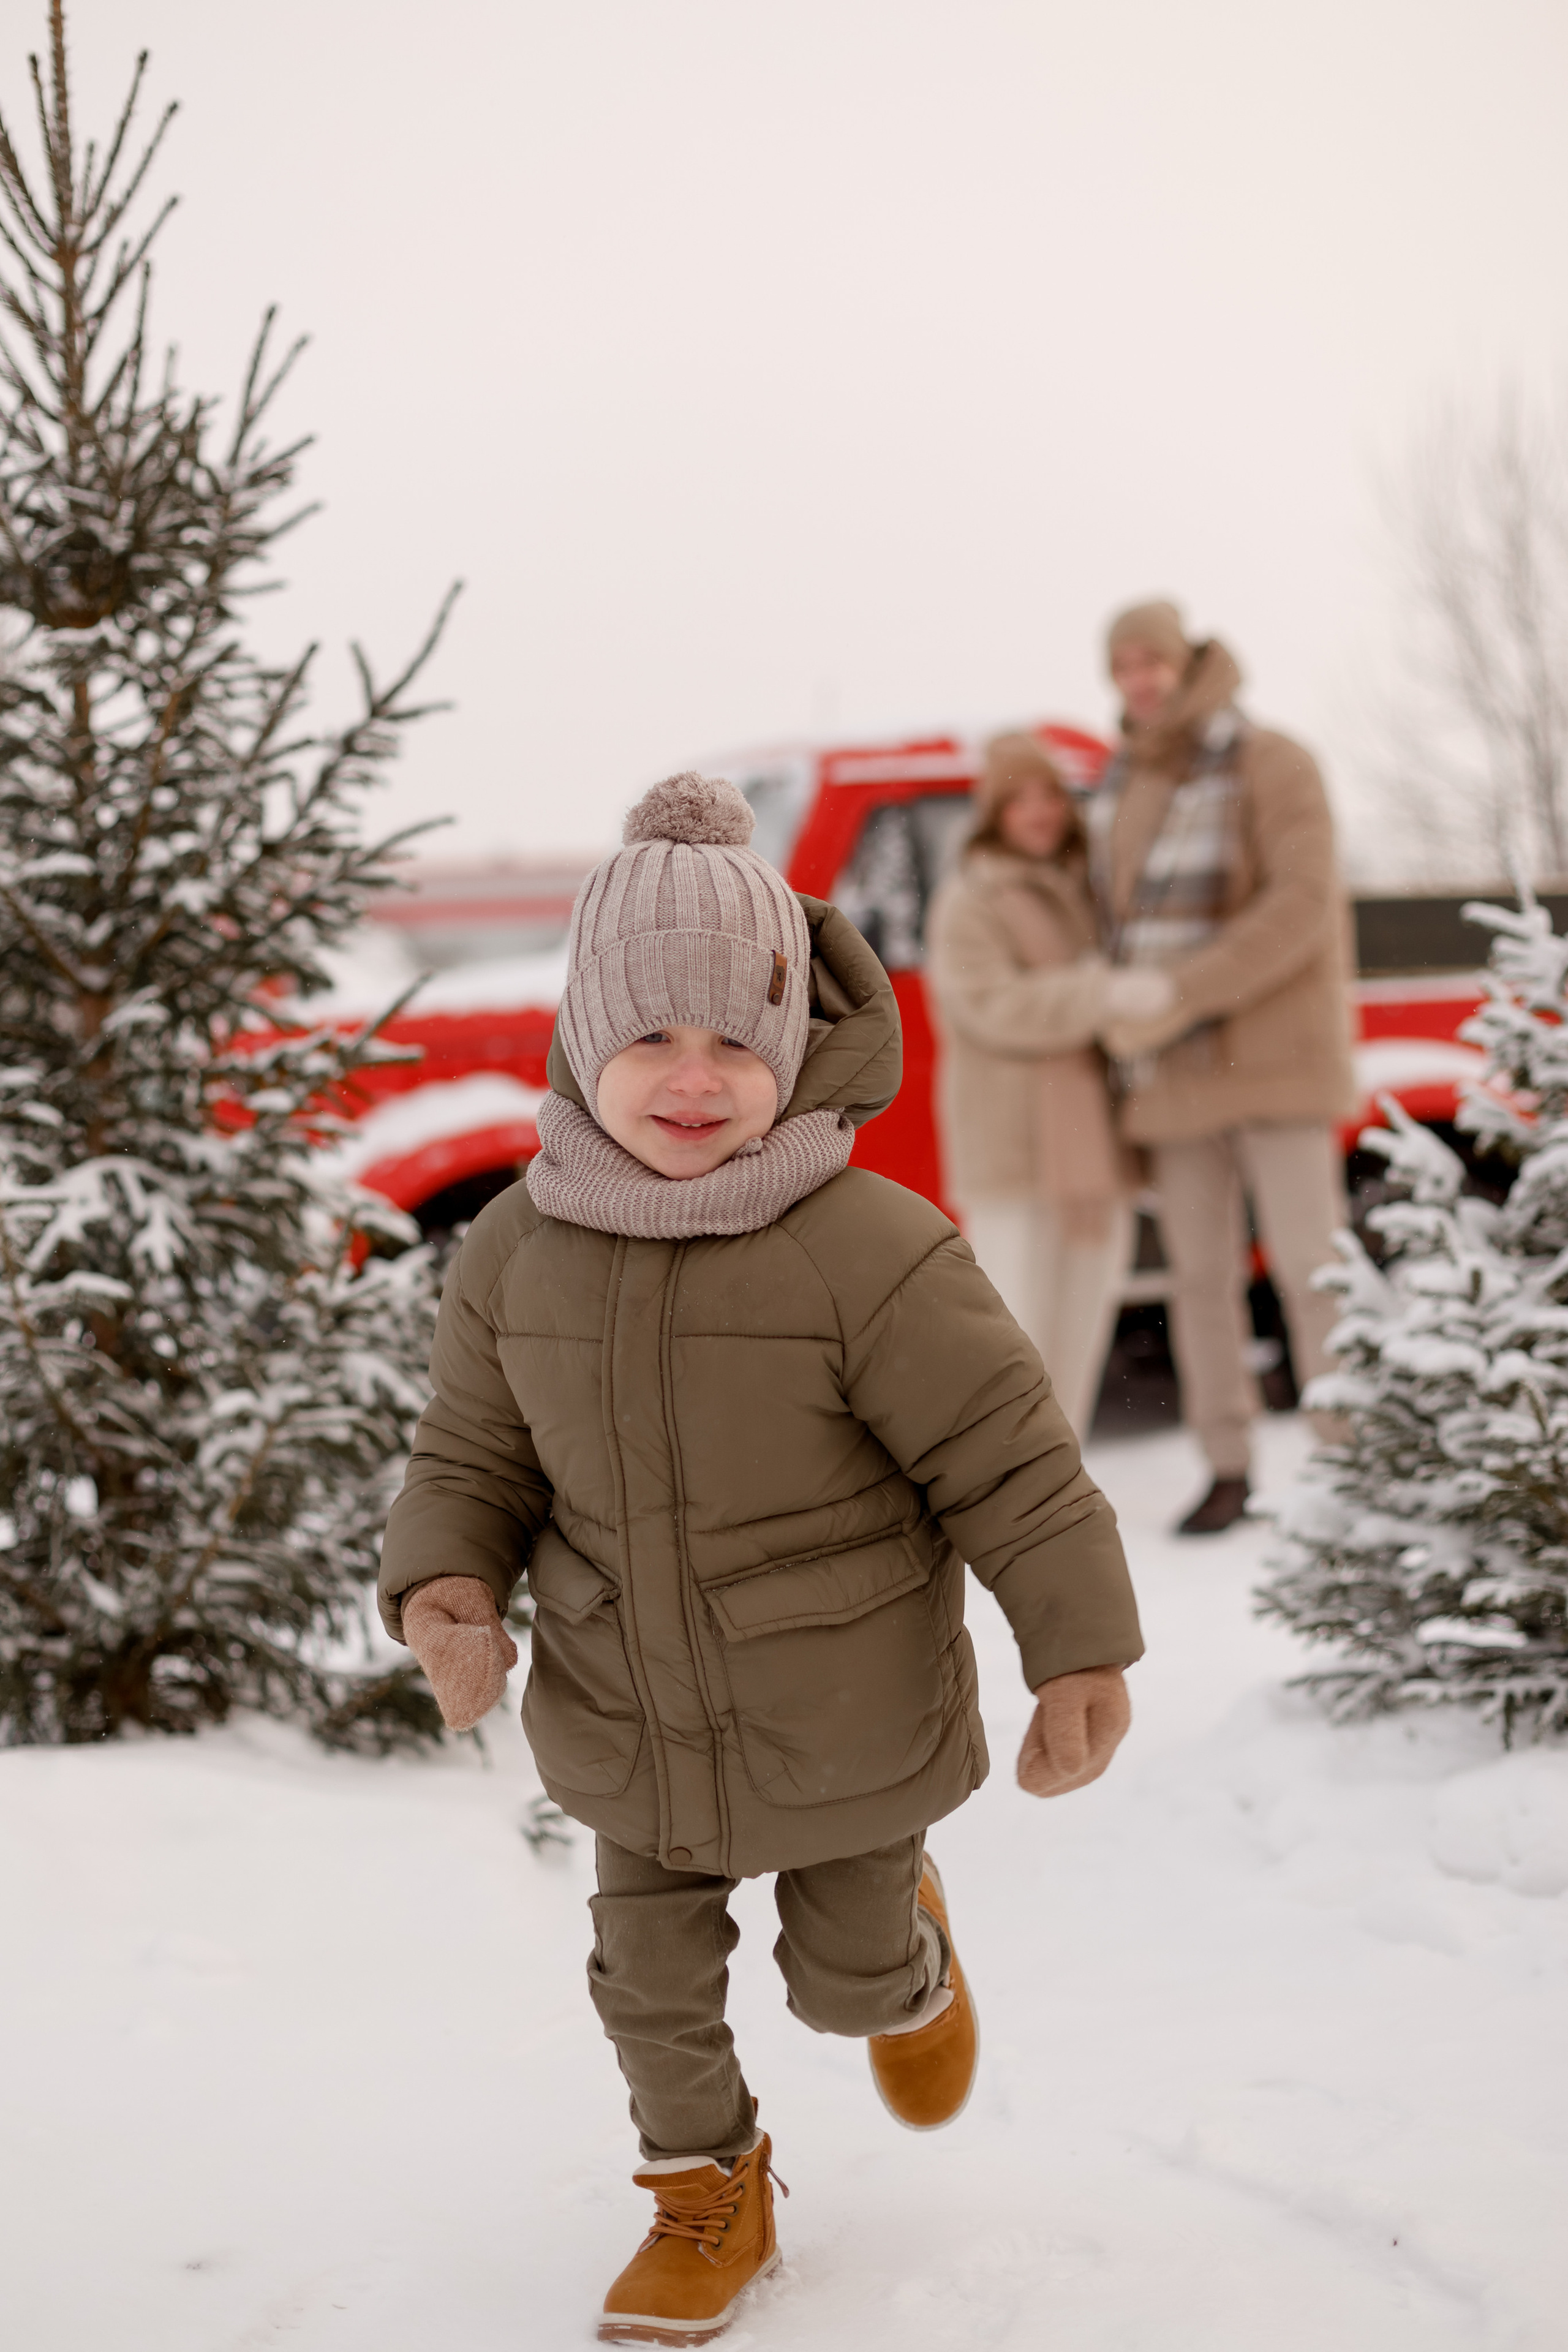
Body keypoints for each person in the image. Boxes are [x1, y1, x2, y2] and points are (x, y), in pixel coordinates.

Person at [379, 772, 1144, 2346]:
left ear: (790, 1047)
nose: (693, 1075)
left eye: (737, 1036)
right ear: (586, 1034)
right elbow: (471, 1452)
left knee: (844, 1985)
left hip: (845, 1714)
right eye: (652, 1032)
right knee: (644, 1984)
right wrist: (448, 1589)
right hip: (628, 1716)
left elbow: (1005, 1458)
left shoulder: (867, 1246)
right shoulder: (516, 1247)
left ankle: (908, 1955)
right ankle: (704, 2190)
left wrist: (1076, 1646)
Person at [1088, 601, 1356, 1534]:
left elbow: (1302, 904)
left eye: (1154, 660)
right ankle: (1229, 1466)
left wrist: (1180, 990)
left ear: (1189, 659)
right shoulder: (1123, 783)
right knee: (1198, 1280)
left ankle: (1347, 1458)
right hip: (1173, 1072)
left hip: (1275, 1058)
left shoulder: (1272, 760)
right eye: (1123, 666)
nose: (1142, 680)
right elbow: (1115, 924)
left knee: (1309, 1267)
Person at [927, 731, 1173, 1436]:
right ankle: (999, 1489)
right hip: (1011, 1151)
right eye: (1018, 799)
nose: (1037, 813)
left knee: (1080, 1333)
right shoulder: (970, 900)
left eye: (1049, 796)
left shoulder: (1085, 893)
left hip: (1094, 1150)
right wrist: (1102, 995)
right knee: (1010, 1341)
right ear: (992, 814)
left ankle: (1055, 1484)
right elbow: (994, 1008)